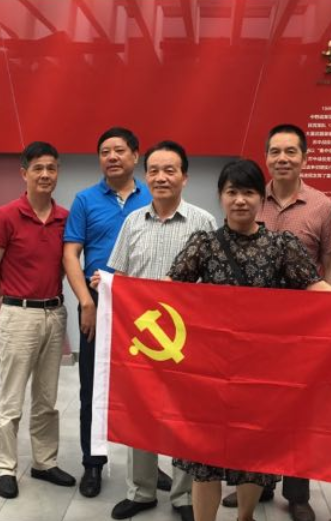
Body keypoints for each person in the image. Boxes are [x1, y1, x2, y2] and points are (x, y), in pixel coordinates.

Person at [166, 159, 331, 521]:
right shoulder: (203, 244)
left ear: (261, 198)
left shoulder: (281, 245)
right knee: (204, 459)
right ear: (221, 196)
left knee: (255, 454)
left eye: (248, 192)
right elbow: (168, 291)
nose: (240, 200)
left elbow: (315, 288)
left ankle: (245, 517)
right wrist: (118, 289)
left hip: (262, 371)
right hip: (211, 371)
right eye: (232, 192)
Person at [221, 123, 331, 521]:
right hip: (251, 333)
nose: (283, 158)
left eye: (291, 151)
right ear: (266, 156)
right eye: (275, 151)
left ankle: (298, 493)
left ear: (305, 157)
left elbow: (328, 264)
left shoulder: (322, 205)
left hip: (301, 329)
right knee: (253, 412)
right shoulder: (252, 195)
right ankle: (255, 485)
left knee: (296, 412)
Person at [104, 140, 216, 521]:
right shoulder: (133, 221)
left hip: (187, 340)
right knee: (140, 414)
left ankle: (184, 496)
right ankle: (142, 490)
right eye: (154, 170)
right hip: (141, 340)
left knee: (185, 419)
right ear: (145, 176)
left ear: (185, 177)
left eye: (170, 170)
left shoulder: (203, 222)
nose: (161, 177)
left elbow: (213, 285)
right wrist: (105, 284)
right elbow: (120, 275)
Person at [0, 141, 76, 499]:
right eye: (38, 168)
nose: (45, 174)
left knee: (47, 398)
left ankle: (44, 462)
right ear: (24, 173)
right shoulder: (6, 215)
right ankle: (5, 467)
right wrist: (11, 301)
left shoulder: (65, 217)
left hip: (54, 314)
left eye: (51, 168)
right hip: (18, 315)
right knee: (12, 399)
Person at [63, 127, 153, 497]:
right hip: (98, 304)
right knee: (93, 386)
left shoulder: (152, 195)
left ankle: (146, 468)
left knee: (145, 389)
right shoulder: (85, 200)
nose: (111, 157)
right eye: (104, 152)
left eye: (119, 150)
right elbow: (71, 254)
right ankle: (93, 463)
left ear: (135, 155)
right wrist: (85, 301)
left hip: (144, 309)